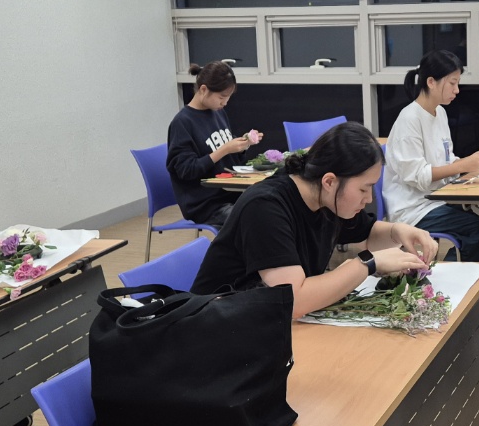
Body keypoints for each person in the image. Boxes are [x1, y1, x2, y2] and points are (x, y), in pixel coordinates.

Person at [192, 122, 439, 316]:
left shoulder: (325, 198)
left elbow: (368, 233)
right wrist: (368, 263)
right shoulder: (266, 207)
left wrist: (398, 231)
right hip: (217, 328)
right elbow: (293, 300)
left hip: (265, 323)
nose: (368, 198)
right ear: (329, 181)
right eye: (364, 189)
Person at [382, 50, 479, 264]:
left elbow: (446, 160)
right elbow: (418, 176)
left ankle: (470, 275)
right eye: (452, 83)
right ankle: (446, 277)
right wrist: (462, 165)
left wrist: (471, 165)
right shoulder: (409, 119)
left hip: (436, 198)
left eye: (457, 83)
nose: (457, 90)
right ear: (431, 82)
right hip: (413, 209)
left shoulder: (439, 112)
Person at [167, 60, 259, 229]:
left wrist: (242, 146)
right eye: (221, 97)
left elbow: (230, 162)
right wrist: (224, 150)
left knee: (271, 207)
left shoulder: (218, 113)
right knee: (257, 219)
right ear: (203, 90)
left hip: (230, 193)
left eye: (228, 98)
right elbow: (186, 170)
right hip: (206, 204)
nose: (225, 103)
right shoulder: (182, 123)